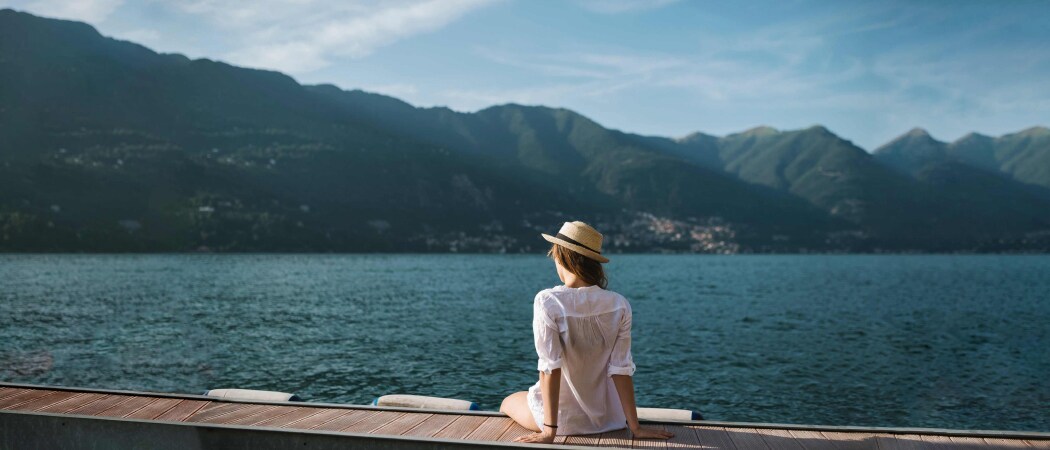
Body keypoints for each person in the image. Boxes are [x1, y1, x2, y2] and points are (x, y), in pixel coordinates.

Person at [501, 221, 675, 444]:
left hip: (562, 420)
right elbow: (621, 370)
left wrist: (549, 431)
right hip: (609, 419)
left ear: (562, 257)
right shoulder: (619, 304)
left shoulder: (549, 301)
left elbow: (549, 369)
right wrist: (635, 427)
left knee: (507, 402)